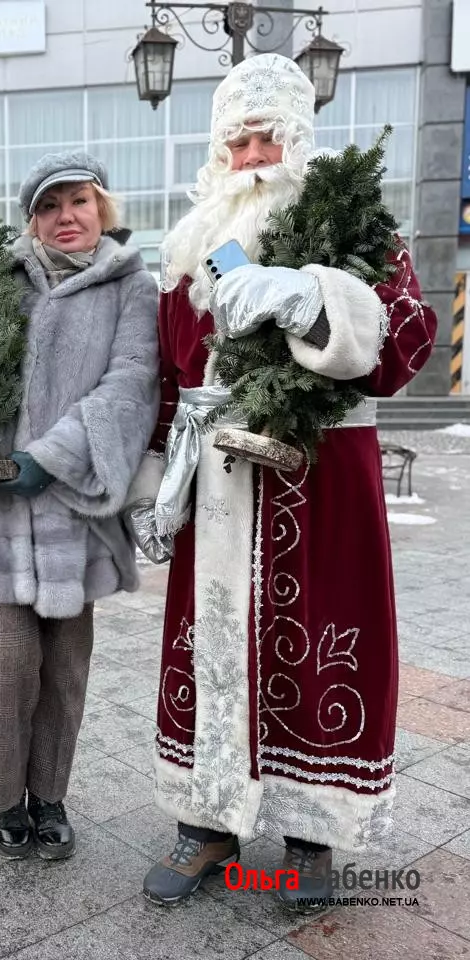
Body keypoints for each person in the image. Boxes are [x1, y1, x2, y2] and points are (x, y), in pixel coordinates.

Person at [131, 55, 438, 910]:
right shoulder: (191, 246)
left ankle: (312, 831)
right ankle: (207, 822)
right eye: (236, 140)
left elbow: (407, 345)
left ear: (300, 139)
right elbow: (170, 376)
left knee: (322, 637)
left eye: (268, 135)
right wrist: (155, 485)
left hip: (322, 477)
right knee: (209, 644)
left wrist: (313, 298)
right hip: (217, 490)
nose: (252, 153)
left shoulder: (358, 227)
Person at [0, 152, 159, 860]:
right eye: (49, 206)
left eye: (78, 201)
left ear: (101, 207)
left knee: (64, 668)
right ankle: (4, 800)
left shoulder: (131, 287)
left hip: (72, 518)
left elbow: (130, 387)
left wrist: (50, 458)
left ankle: (49, 797)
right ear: (31, 220)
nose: (65, 217)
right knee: (5, 661)